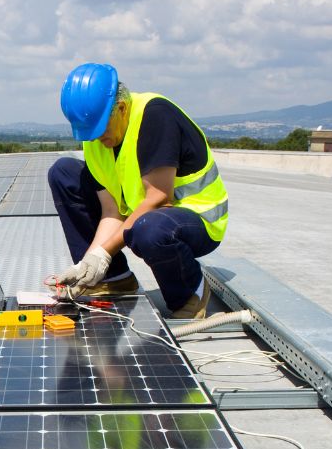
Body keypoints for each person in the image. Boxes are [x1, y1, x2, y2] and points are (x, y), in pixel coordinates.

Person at [47, 63, 229, 319]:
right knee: (64, 172)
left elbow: (158, 199)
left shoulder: (155, 116)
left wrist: (102, 253)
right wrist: (89, 264)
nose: (97, 139)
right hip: (145, 217)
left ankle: (189, 292)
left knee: (149, 229)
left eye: (101, 130)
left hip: (194, 221)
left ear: (120, 108)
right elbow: (112, 211)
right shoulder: (96, 139)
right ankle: (114, 280)